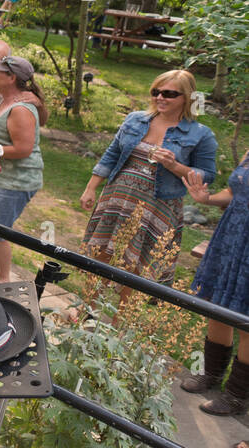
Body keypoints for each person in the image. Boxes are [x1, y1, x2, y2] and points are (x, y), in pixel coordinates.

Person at [80, 70, 216, 286]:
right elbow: (112, 154)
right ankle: (88, 310)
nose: (160, 97)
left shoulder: (200, 134)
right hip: (117, 198)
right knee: (101, 254)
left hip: (157, 207)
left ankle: (120, 319)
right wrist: (91, 187)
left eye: (169, 93)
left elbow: (208, 174)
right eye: (156, 91)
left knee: (137, 267)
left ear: (186, 98)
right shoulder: (135, 119)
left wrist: (175, 166)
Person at [183, 153, 249, 435]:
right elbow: (234, 192)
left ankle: (236, 396)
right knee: (217, 304)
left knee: (246, 317)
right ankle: (211, 375)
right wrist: (206, 199)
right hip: (232, 235)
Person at [0, 56, 44, 283]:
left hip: (16, 181)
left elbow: (23, 149)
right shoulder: (4, 101)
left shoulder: (20, 109)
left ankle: (2, 280)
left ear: (12, 78)